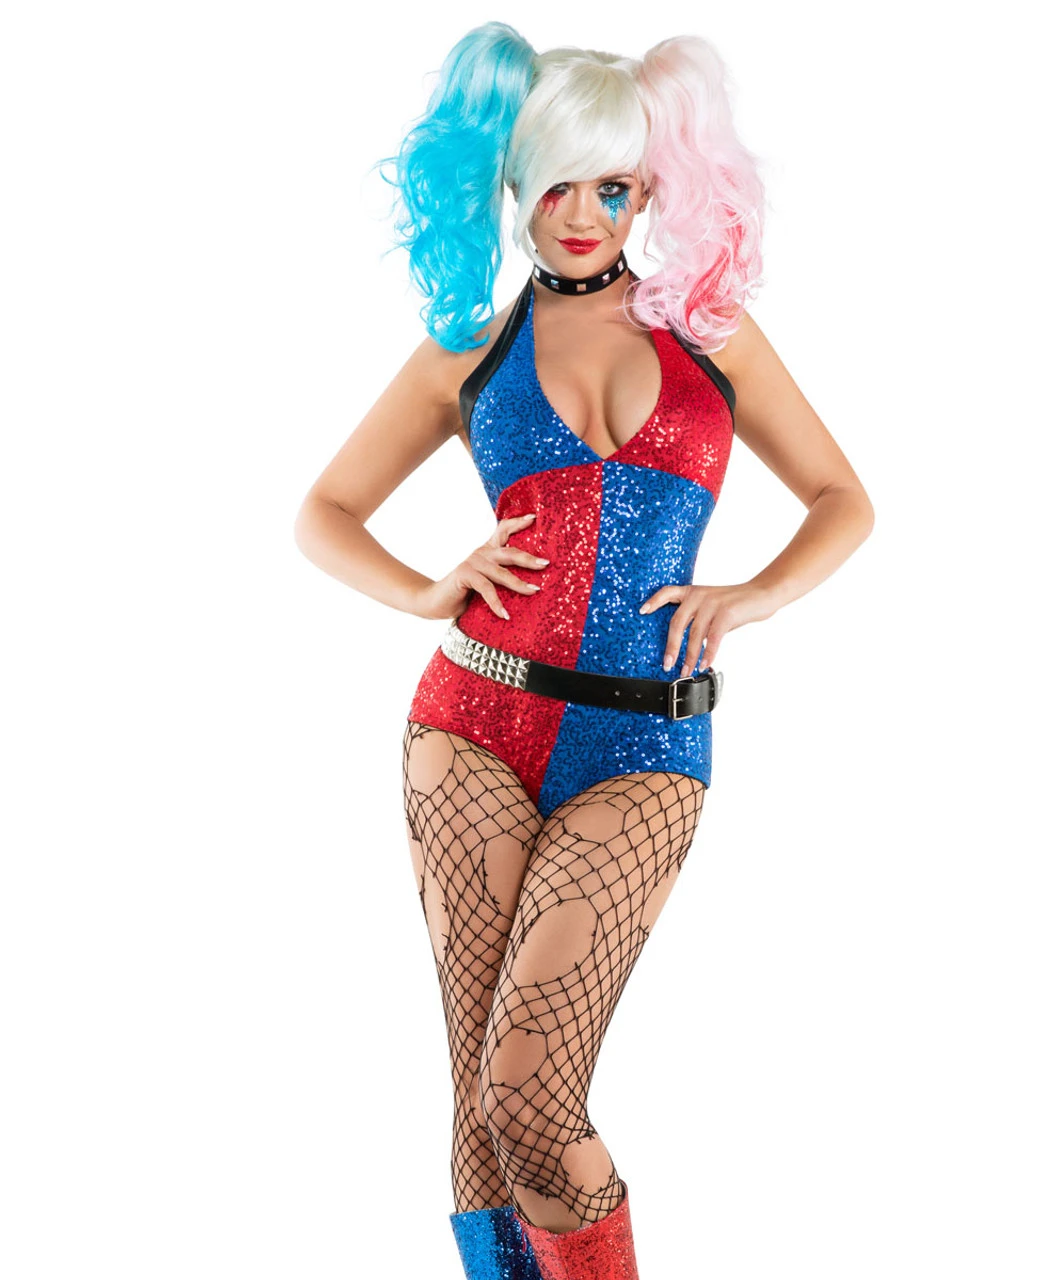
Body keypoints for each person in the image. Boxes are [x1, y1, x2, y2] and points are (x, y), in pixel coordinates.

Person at [294, 22, 874, 1280]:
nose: (579, 215)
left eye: (609, 187)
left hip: (644, 741)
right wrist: (425, 591)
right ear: (513, 184)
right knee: (475, 1094)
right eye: (554, 184)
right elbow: (323, 511)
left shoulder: (708, 333)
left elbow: (843, 497)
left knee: (530, 1097)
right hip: (471, 722)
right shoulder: (470, 344)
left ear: (650, 189)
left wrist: (753, 594)